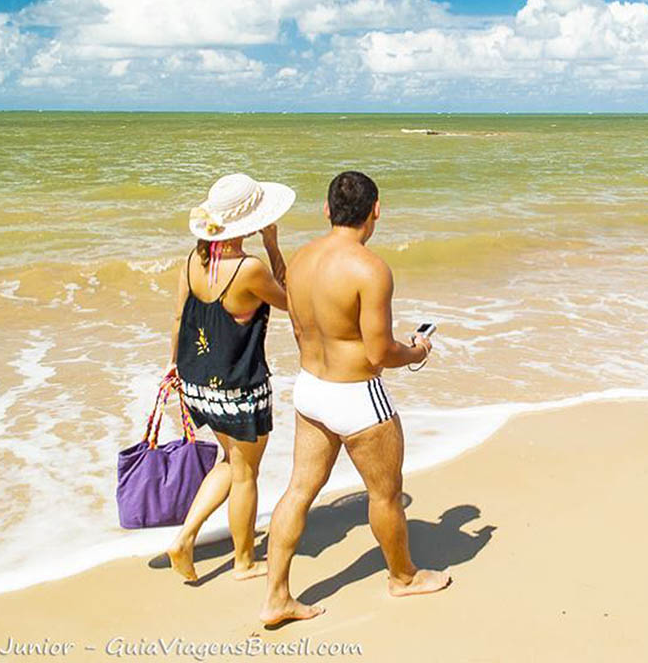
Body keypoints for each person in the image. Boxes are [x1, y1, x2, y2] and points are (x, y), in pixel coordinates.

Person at [259, 171, 450, 626]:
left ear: (327, 211)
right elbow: (379, 353)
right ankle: (402, 578)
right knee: (385, 495)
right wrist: (418, 350)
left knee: (299, 490)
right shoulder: (370, 268)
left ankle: (276, 596)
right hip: (358, 398)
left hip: (310, 390)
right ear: (376, 210)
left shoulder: (302, 259)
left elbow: (290, 299)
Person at [165, 173, 295, 582]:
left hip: (198, 380)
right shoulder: (250, 268)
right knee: (246, 473)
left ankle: (185, 537)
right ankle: (242, 561)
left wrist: (173, 369)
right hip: (239, 384)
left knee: (230, 462)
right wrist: (273, 245)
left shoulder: (192, 260)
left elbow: (179, 318)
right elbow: (291, 301)